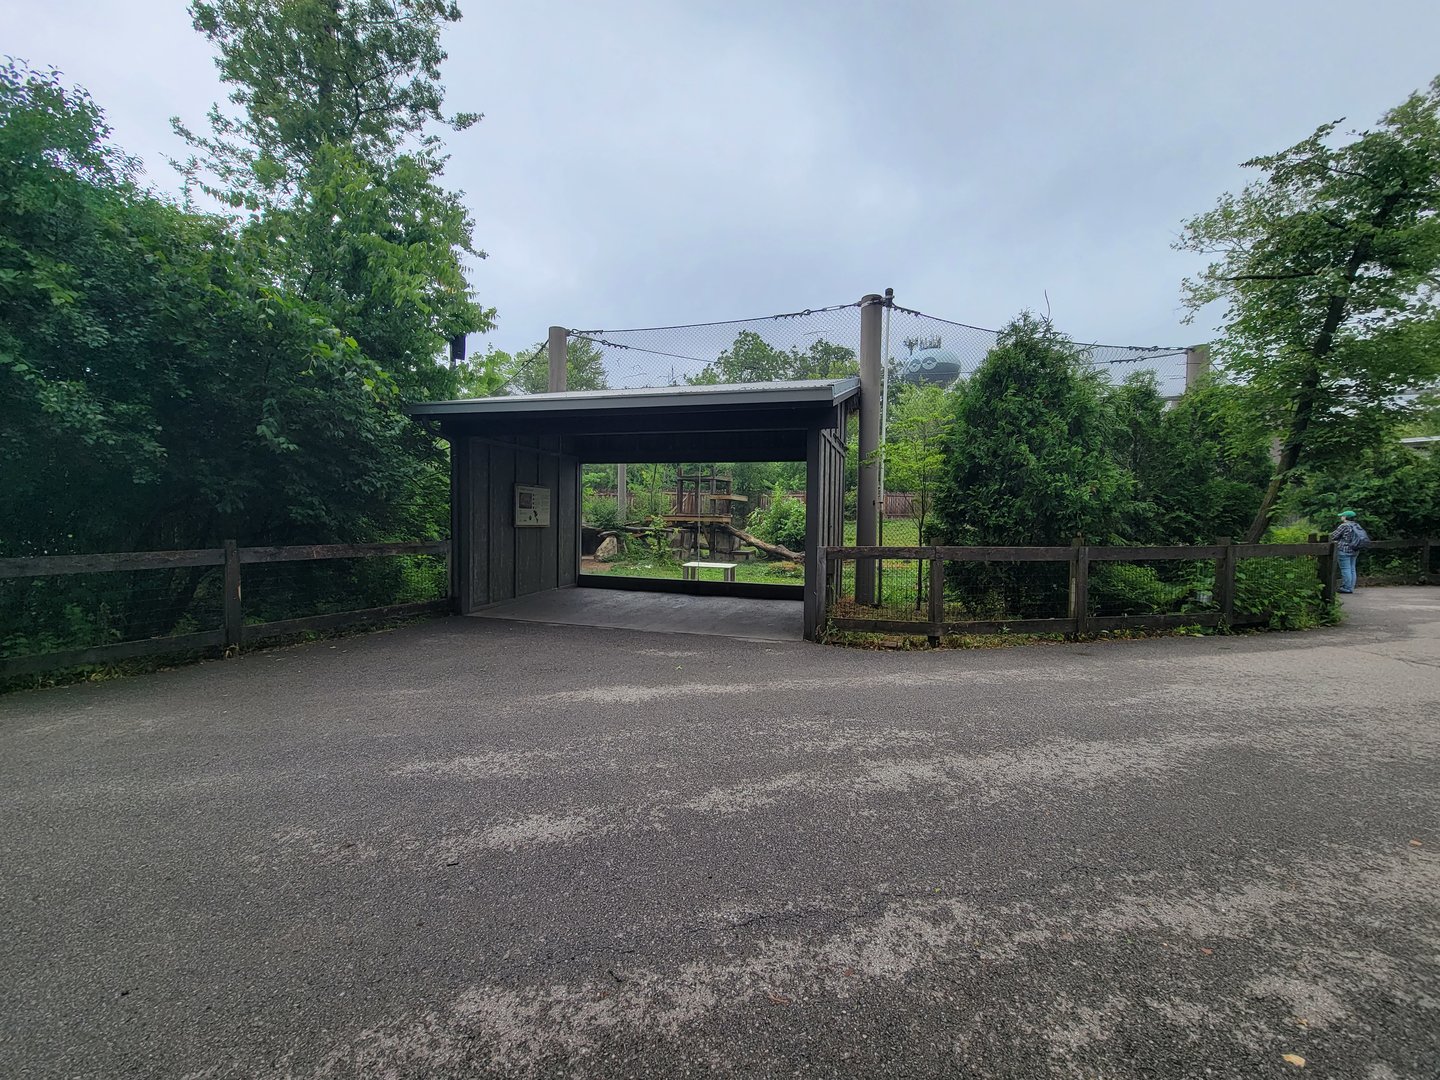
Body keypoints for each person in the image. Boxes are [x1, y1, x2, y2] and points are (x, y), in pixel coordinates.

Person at [1330, 509, 1367, 594]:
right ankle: (1351, 587)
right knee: (1352, 569)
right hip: (1355, 549)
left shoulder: (1344, 526)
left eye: (1342, 516)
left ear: (1346, 517)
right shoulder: (1356, 525)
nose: (1341, 517)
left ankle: (1346, 588)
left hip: (1344, 550)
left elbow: (1333, 536)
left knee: (1345, 569)